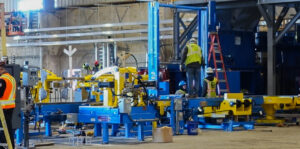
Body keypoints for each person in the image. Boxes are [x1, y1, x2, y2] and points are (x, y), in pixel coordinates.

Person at [0, 62, 16, 148]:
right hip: (10, 107)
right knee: (8, 131)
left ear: (1, 69)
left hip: (3, 109)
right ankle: (10, 146)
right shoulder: (11, 78)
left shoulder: (2, 79)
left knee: (4, 132)